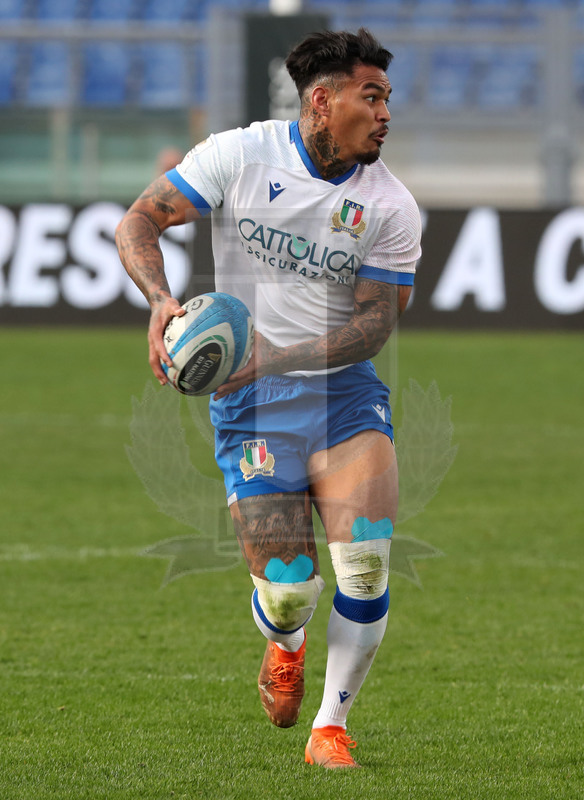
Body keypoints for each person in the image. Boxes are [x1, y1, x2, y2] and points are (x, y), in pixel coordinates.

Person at [116, 27, 421, 769]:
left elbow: (375, 325)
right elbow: (140, 219)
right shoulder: (241, 154)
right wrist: (159, 301)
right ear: (323, 100)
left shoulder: (390, 206)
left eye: (388, 99)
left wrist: (276, 356)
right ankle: (285, 646)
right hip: (251, 404)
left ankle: (331, 728)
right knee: (288, 593)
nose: (386, 114)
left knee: (366, 563)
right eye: (371, 97)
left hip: (343, 392)